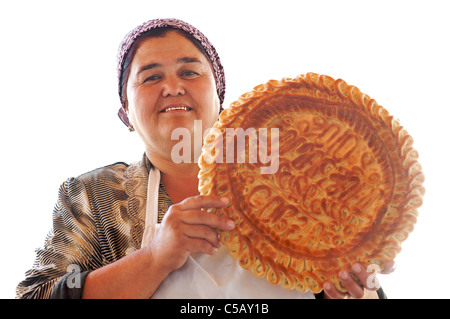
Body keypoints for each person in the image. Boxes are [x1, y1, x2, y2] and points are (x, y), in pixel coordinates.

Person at [16, 18, 392, 299]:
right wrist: (157, 257)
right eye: (150, 77)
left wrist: (353, 286)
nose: (172, 86)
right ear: (126, 112)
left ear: (220, 98)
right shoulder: (94, 196)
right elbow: (35, 295)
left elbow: (341, 284)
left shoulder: (294, 184)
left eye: (189, 71)